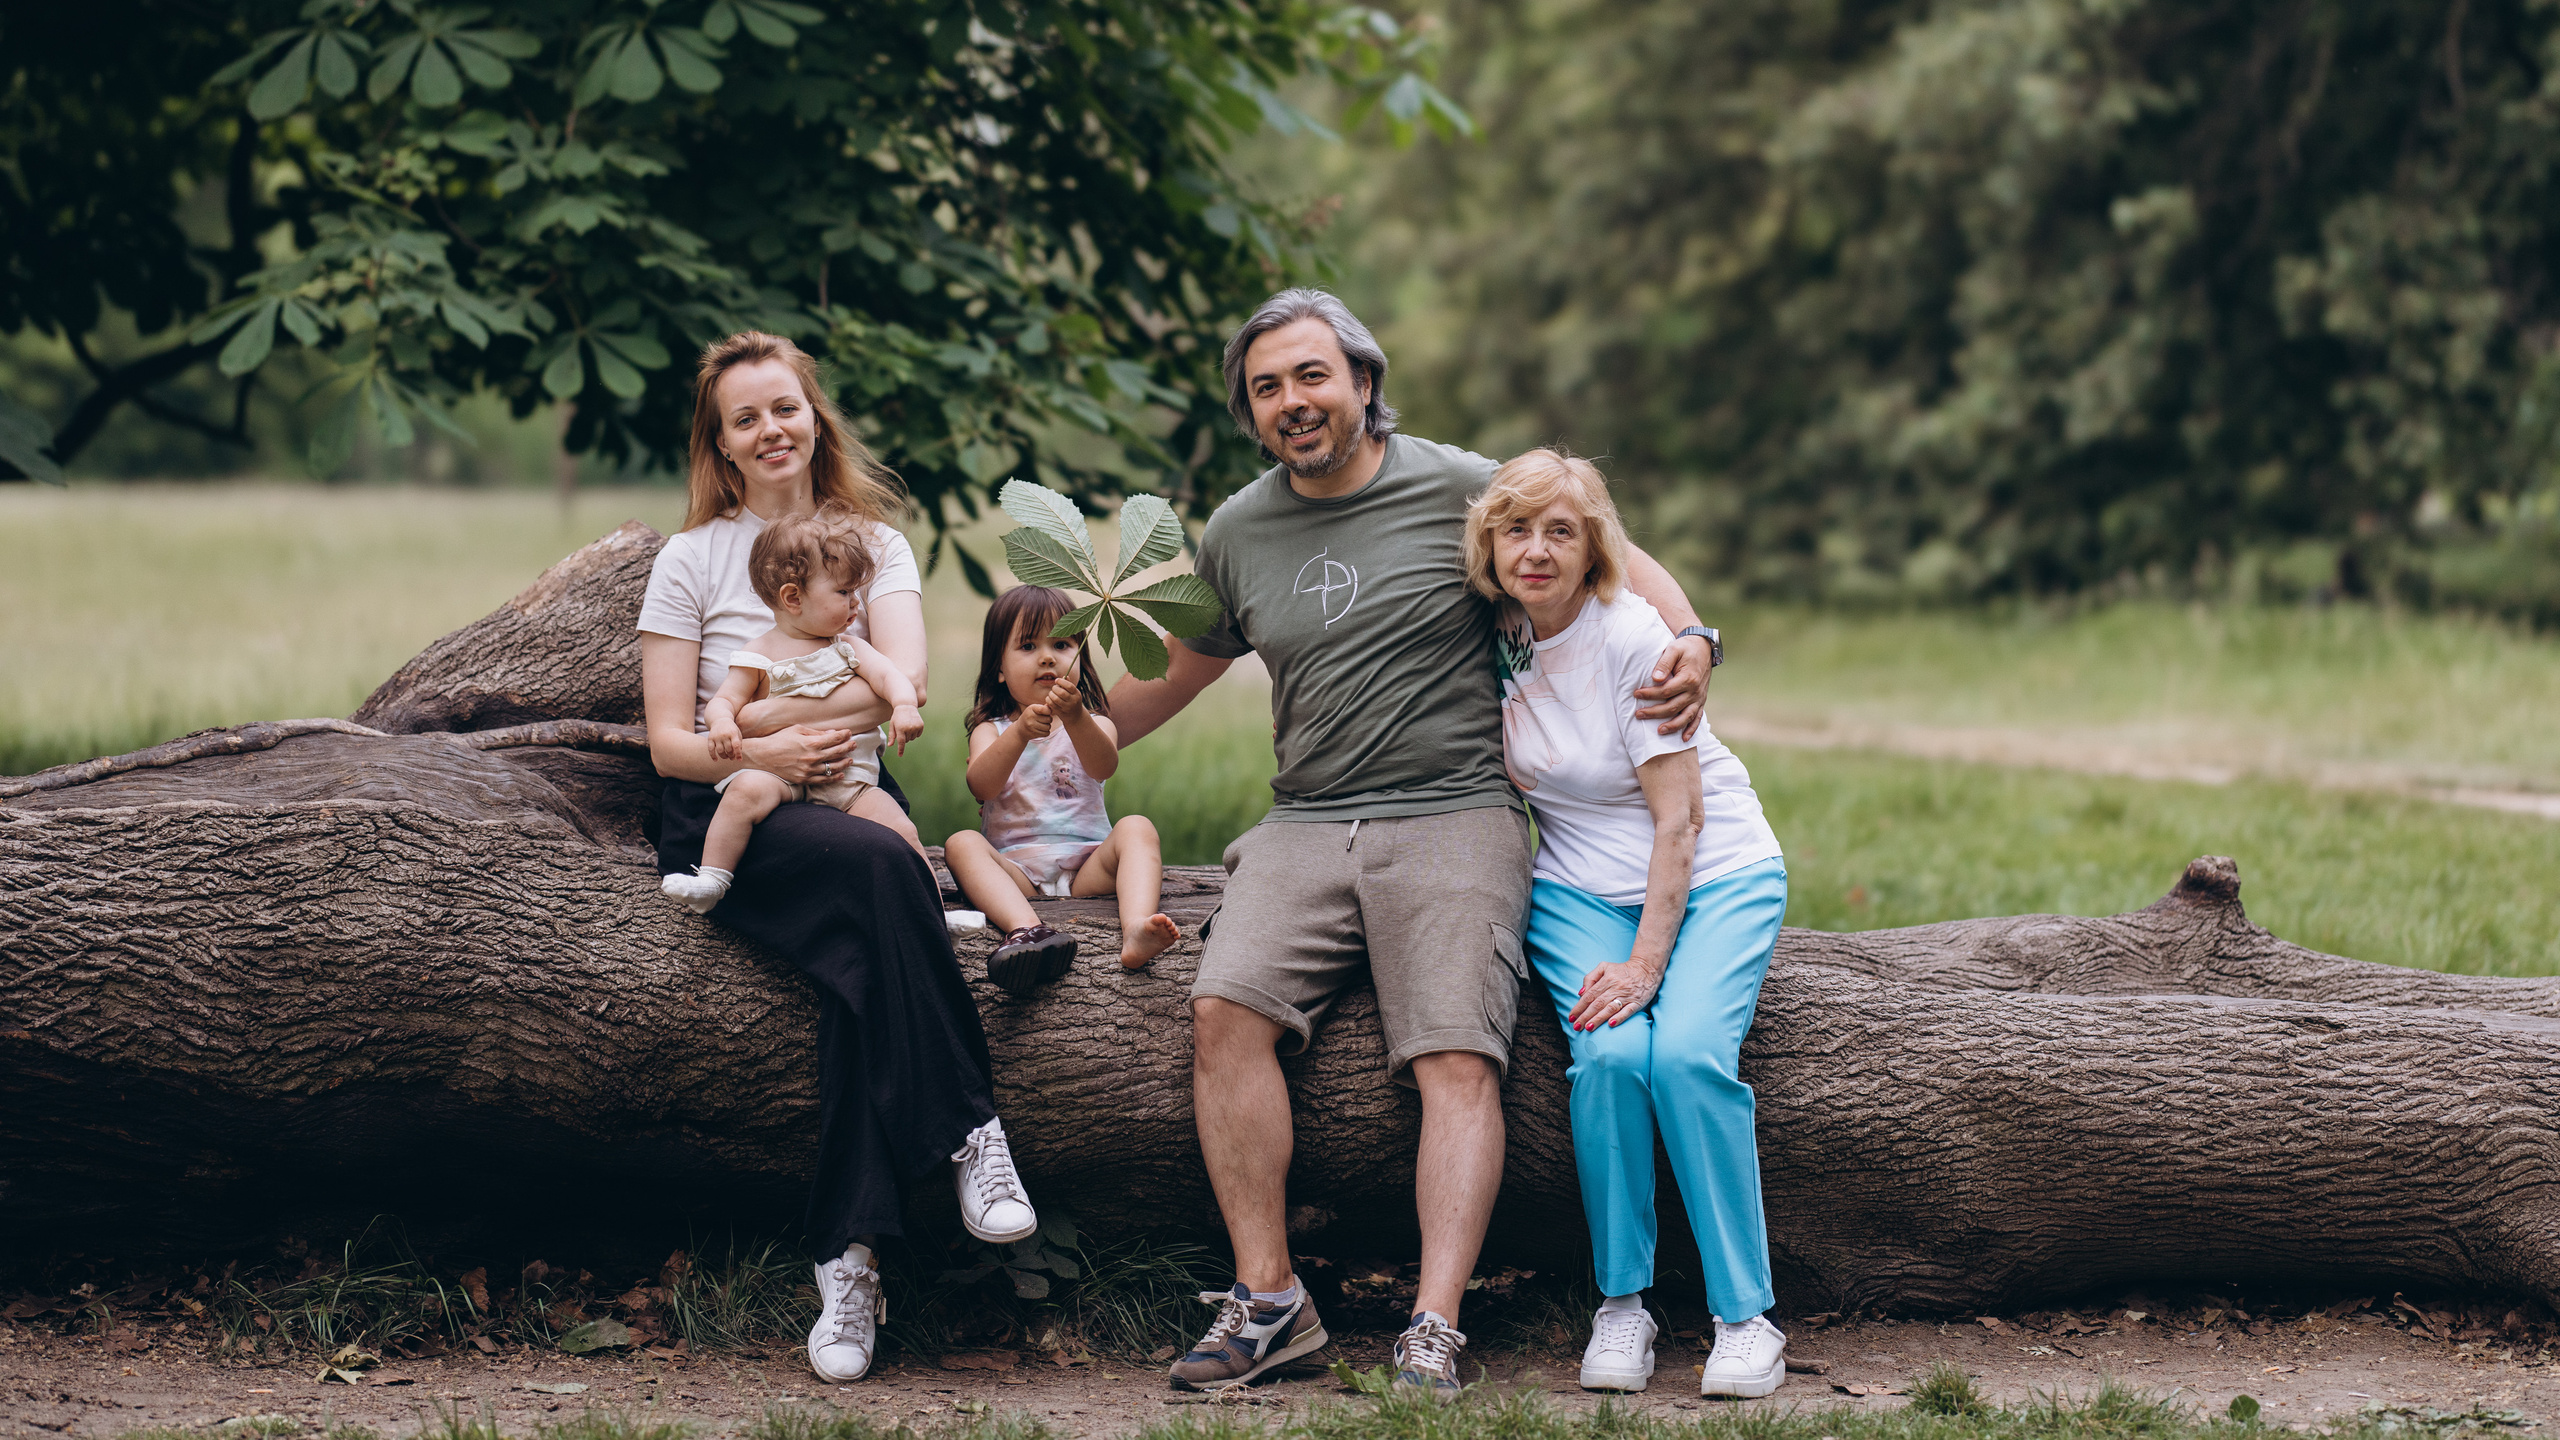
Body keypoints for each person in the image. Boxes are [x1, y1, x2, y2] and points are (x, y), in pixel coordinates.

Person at [1106, 289, 1722, 1397]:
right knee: (1221, 1013)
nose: (1292, 402)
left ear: (1362, 380)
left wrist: (1694, 639)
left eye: (1311, 375)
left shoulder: (1458, 487)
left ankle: (1434, 1326)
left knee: (1454, 1056)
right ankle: (1269, 1303)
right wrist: (1050, 727)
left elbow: (1614, 557)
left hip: (1454, 814)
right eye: (1266, 388)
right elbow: (1166, 681)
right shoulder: (1238, 531)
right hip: (1305, 820)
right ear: (1250, 413)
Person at [636, 331, 1041, 1388]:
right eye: (745, 418)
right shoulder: (690, 560)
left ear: (815, 419)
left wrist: (780, 719)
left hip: (850, 789)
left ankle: (847, 1260)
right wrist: (762, 749)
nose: (771, 430)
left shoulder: (876, 546)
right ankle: (968, 1128)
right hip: (730, 809)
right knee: (882, 872)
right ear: (721, 446)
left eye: (786, 408)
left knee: (863, 960)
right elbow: (671, 744)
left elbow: (900, 684)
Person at [1470, 448, 1789, 1399]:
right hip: (1575, 889)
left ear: (1595, 550)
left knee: (1685, 1056)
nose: (1536, 551)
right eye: (1517, 530)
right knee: (1610, 1058)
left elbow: (1679, 822)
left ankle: (1746, 1318)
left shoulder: (1633, 640)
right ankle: (1623, 1303)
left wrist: (1647, 966)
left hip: (1713, 872)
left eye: (1561, 532)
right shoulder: (1496, 627)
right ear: (1489, 545)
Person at [660, 504, 927, 912]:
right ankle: (712, 879)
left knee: (901, 832)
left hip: (847, 778)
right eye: (843, 592)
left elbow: (892, 677)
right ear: (793, 597)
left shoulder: (850, 648)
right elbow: (725, 701)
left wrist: (904, 705)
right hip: (778, 774)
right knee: (743, 793)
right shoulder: (758, 654)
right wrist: (722, 724)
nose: (855, 603)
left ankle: (934, 911)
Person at [943, 584, 1184, 991]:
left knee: (1137, 827)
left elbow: (1103, 765)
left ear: (1080, 660)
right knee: (961, 843)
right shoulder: (991, 730)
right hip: (1017, 869)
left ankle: (1136, 928)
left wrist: (1076, 719)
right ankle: (1027, 929)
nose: (1047, 657)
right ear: (999, 669)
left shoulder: (1096, 723)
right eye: (1028, 646)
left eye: (1061, 644)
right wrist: (1019, 733)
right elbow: (981, 786)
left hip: (1087, 864)